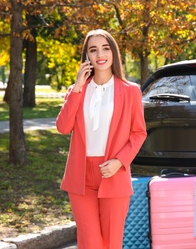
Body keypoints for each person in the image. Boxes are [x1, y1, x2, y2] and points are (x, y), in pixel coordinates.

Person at [56, 29, 147, 249]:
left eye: (105, 48)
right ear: (86, 56)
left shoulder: (130, 91)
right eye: (93, 49)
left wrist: (119, 161)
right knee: (90, 243)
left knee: (111, 242)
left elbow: (139, 132)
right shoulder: (76, 90)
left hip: (113, 173)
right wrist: (77, 87)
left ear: (114, 52)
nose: (100, 54)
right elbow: (63, 127)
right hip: (81, 175)